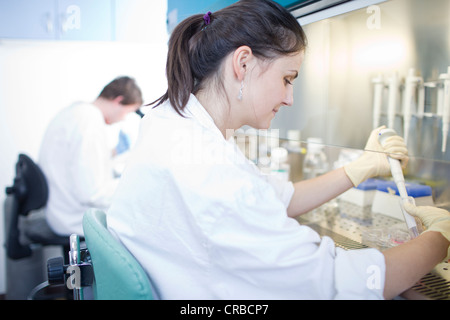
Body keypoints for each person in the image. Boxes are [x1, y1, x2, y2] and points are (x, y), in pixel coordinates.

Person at [107, 0, 450, 300]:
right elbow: (336, 284)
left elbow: (276, 199)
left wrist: (359, 167)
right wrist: (439, 238)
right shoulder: (210, 170)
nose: (289, 98)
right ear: (243, 64)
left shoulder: (176, 128)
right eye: (287, 78)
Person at [38, 76, 143, 236]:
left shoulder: (77, 112)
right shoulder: (89, 120)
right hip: (73, 218)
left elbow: (77, 161)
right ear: (118, 100)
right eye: (127, 112)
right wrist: (133, 182)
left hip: (60, 209)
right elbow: (93, 193)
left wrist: (114, 153)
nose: (123, 119)